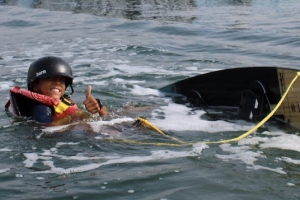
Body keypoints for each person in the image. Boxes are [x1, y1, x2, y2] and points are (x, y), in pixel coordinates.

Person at [6, 56, 108, 125]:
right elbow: (48, 132)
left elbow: (105, 118)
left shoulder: (63, 103)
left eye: (61, 80)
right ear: (35, 85)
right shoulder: (41, 109)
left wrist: (98, 107)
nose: (57, 83)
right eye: (50, 78)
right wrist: (75, 119)